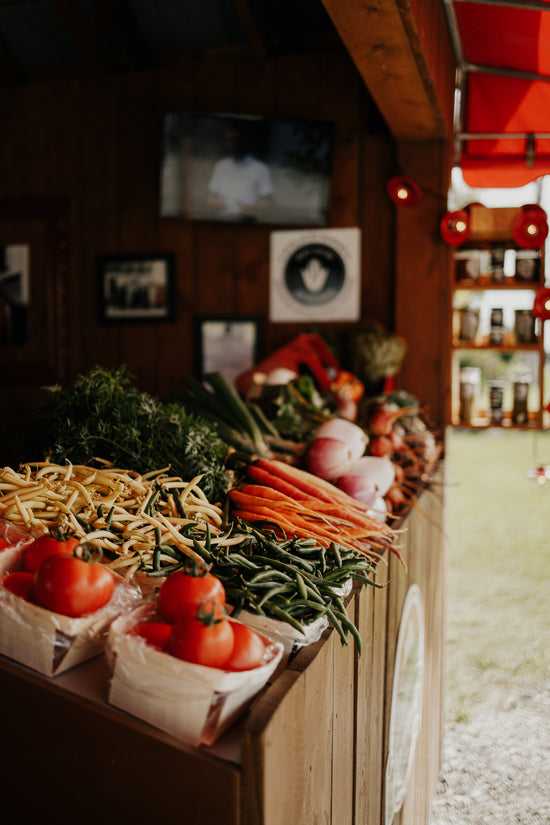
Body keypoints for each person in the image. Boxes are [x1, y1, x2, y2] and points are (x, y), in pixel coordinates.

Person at [207, 124, 273, 220]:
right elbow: (210, 199)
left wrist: (248, 208)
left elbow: (267, 203)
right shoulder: (221, 166)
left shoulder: (260, 168)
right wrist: (220, 204)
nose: (232, 144)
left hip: (248, 223)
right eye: (229, 141)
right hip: (223, 221)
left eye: (235, 140)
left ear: (244, 140)